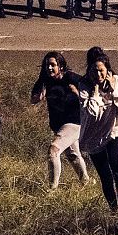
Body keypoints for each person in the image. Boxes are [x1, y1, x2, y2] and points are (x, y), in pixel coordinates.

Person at [78, 53, 118, 210]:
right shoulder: (84, 86)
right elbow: (91, 114)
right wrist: (95, 93)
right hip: (93, 137)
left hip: (114, 130)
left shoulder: (116, 81)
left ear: (108, 70)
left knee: (115, 160)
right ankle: (114, 210)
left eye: (101, 70)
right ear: (89, 71)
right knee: (105, 176)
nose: (98, 75)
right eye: (94, 71)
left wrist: (114, 91)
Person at [31, 52, 90, 190]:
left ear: (61, 66)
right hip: (59, 126)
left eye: (53, 65)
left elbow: (90, 88)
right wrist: (39, 94)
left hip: (74, 123)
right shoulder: (45, 80)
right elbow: (33, 99)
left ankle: (52, 189)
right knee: (73, 155)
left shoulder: (70, 77)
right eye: (47, 65)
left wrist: (78, 93)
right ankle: (86, 182)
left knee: (53, 150)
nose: (49, 68)